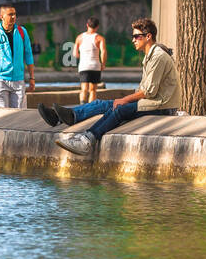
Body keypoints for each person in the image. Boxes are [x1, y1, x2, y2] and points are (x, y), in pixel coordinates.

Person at [43, 17, 180, 156]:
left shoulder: (158, 57)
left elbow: (149, 91)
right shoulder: (150, 56)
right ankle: (65, 116)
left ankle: (86, 141)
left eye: (136, 36)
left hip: (162, 106)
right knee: (101, 103)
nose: (133, 40)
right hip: (153, 101)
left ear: (148, 36)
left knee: (119, 109)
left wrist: (125, 100)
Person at [0, 5, 35, 108]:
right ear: (2, 16)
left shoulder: (22, 32)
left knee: (20, 114)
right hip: (0, 80)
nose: (13, 17)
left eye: (15, 14)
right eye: (10, 14)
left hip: (18, 79)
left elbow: (28, 55)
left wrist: (32, 78)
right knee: (0, 113)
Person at [73, 17, 107, 104]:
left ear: (87, 25)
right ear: (97, 27)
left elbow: (75, 54)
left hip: (84, 66)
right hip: (95, 66)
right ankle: (90, 108)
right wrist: (103, 64)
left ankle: (82, 106)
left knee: (84, 89)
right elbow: (103, 52)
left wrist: (83, 57)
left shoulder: (79, 37)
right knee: (93, 90)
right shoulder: (100, 38)